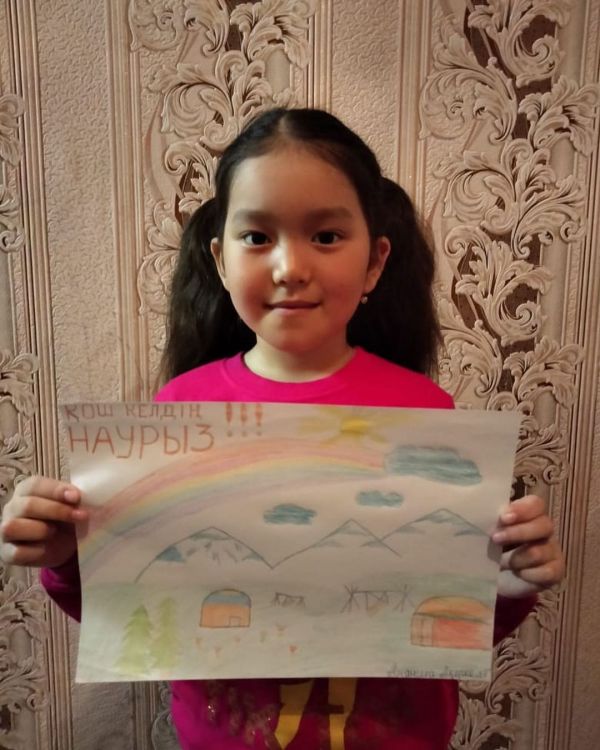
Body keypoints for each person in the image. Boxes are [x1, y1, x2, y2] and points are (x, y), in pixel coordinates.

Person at [0, 108, 564, 749]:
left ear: (375, 260)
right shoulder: (179, 412)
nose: (290, 266)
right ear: (219, 259)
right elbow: (145, 613)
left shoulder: (425, 413)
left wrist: (510, 582)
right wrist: (67, 557)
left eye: (325, 236)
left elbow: (445, 625)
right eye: (256, 236)